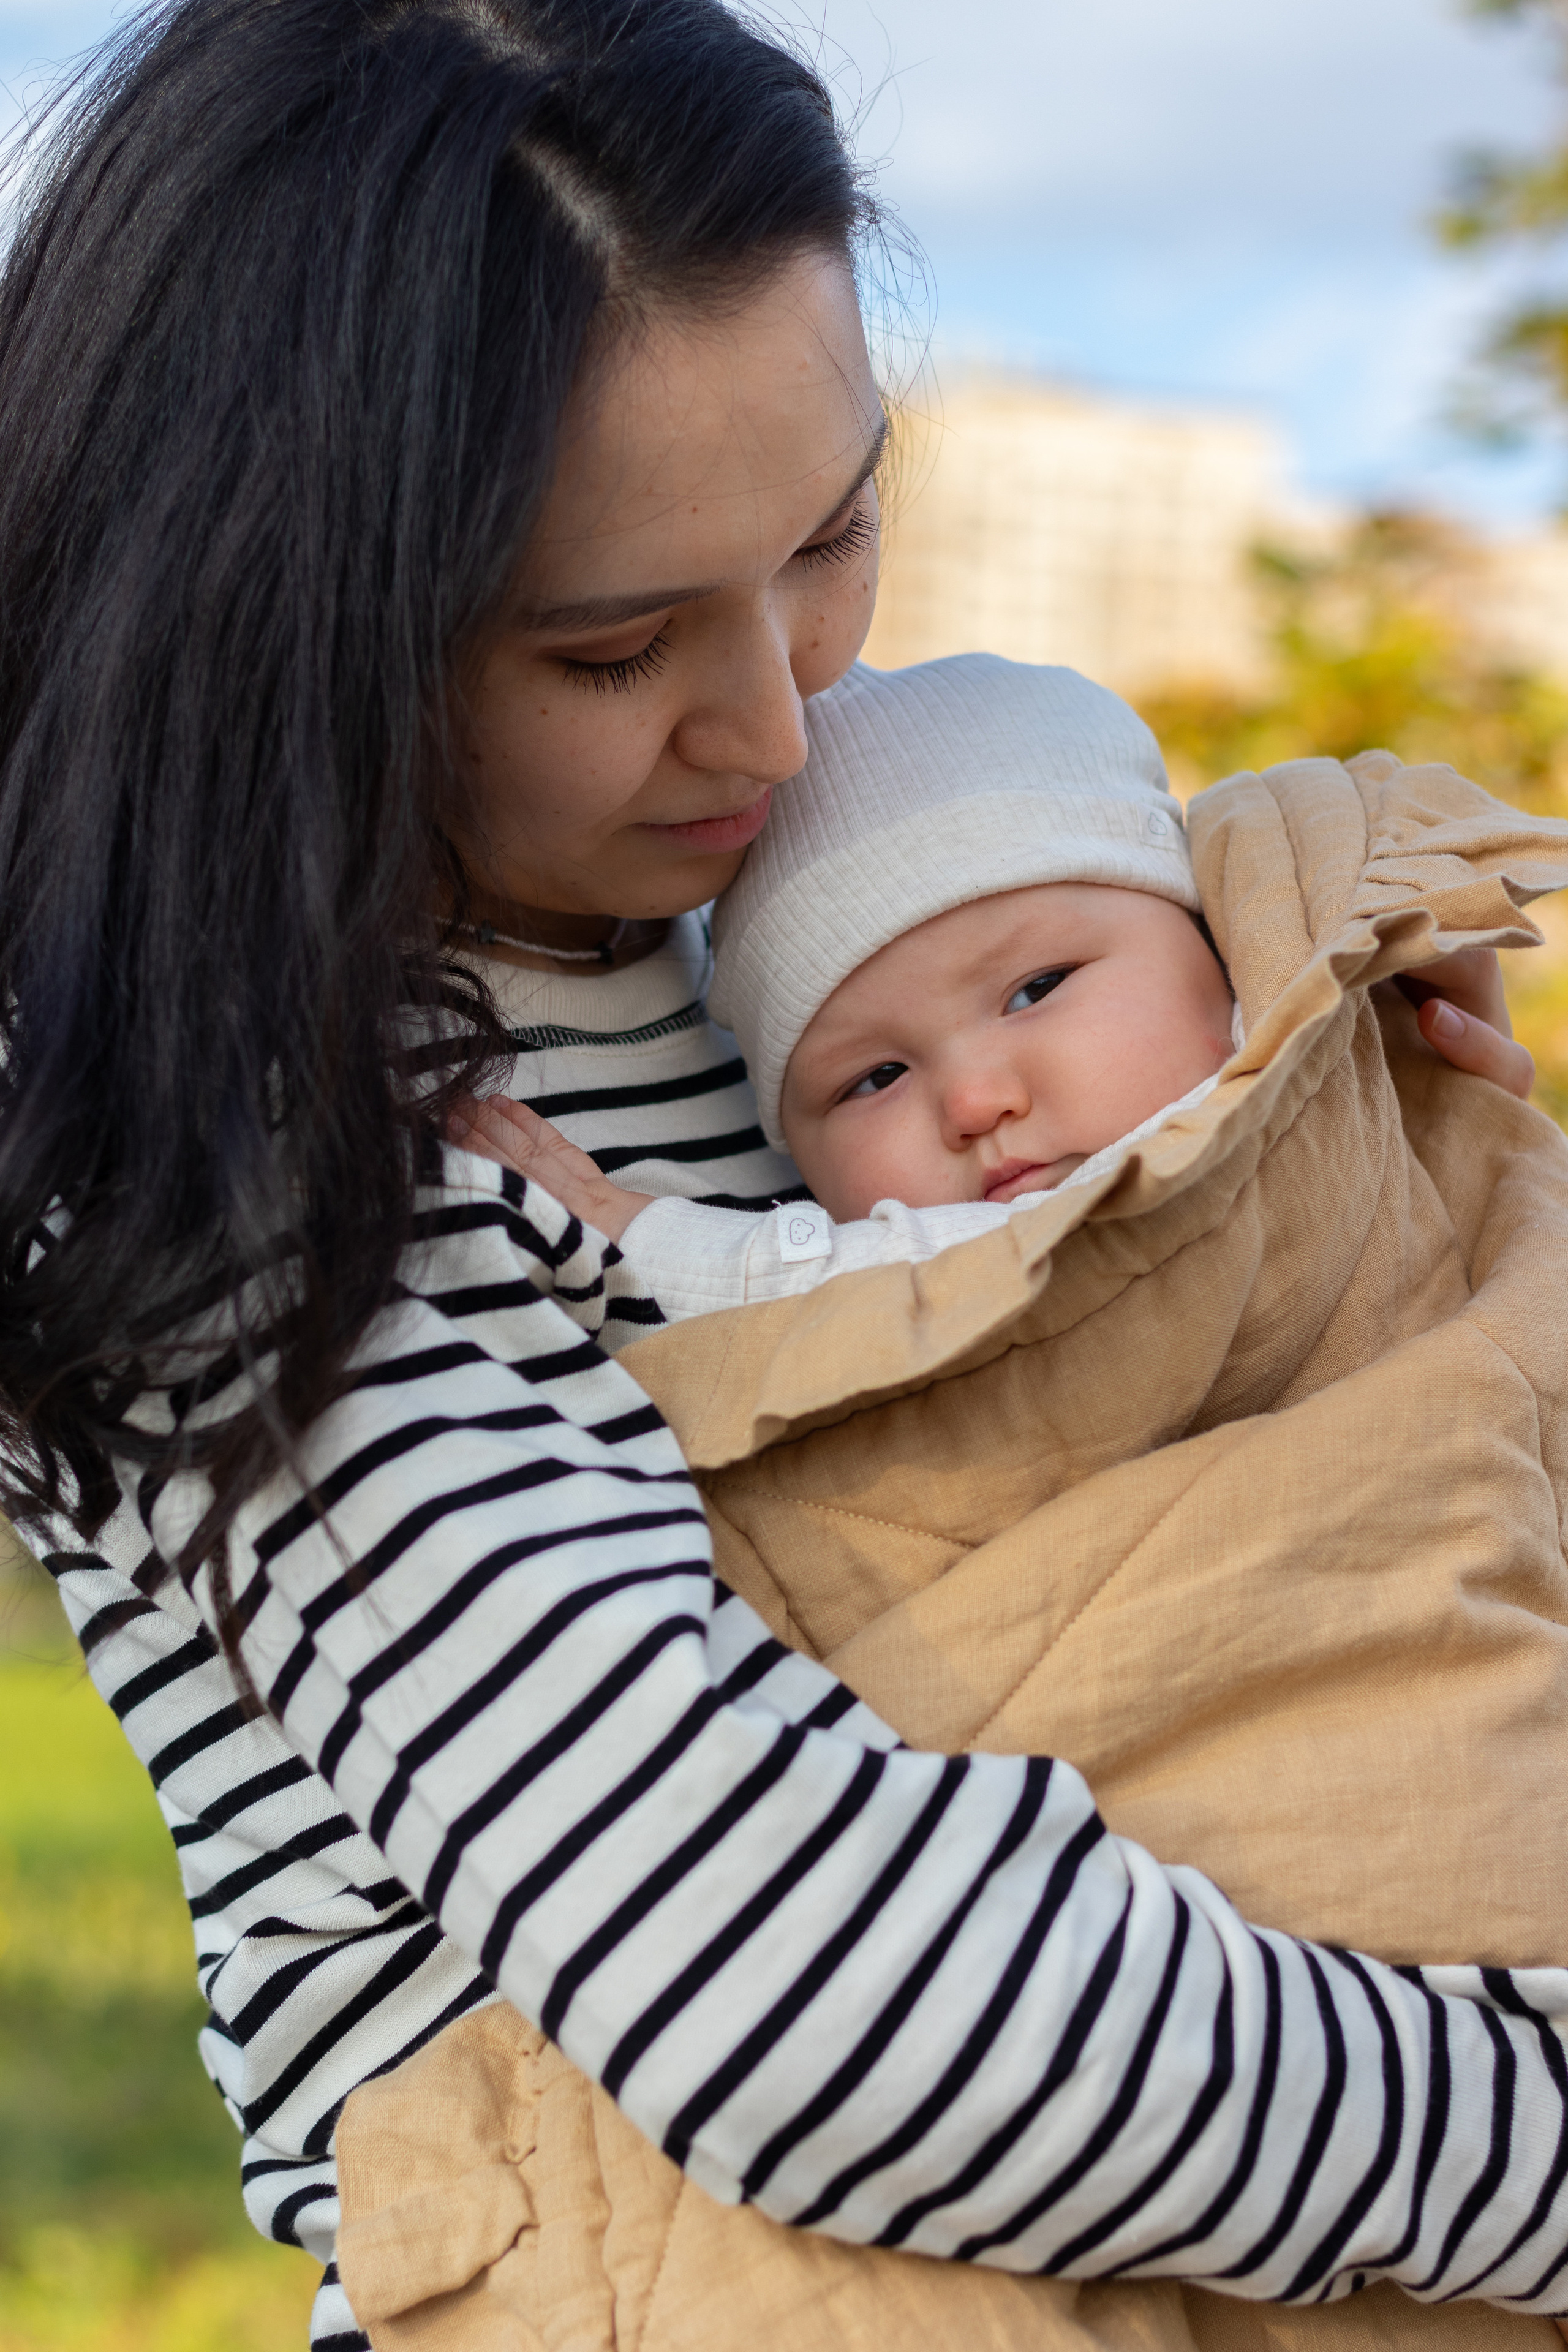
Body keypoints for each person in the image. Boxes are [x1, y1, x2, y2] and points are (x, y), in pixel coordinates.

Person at [0, 6, 1555, 2350]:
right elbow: (806, 1999)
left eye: (834, 533)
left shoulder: (826, 912)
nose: (782, 717)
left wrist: (1350, 1175)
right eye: (612, 645)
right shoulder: (214, 1112)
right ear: (282, 611)